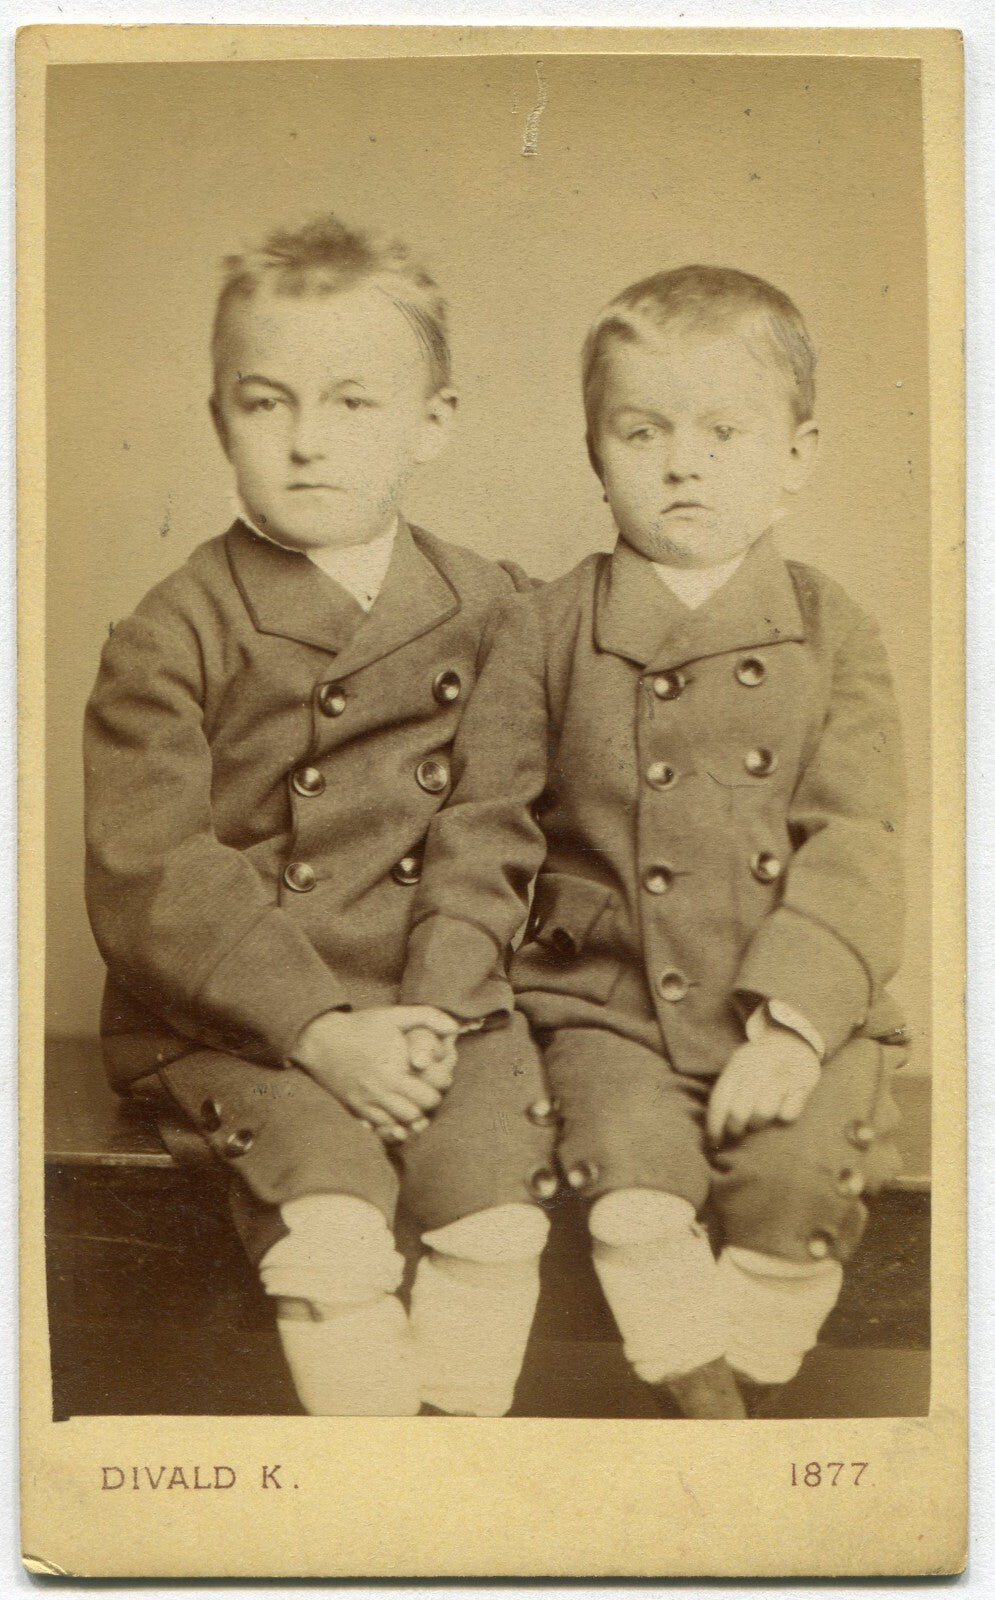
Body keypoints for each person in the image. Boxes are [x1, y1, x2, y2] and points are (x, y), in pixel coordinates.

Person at [83, 214, 555, 1418]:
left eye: (352, 404)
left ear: (431, 423)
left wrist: (442, 1007)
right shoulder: (171, 629)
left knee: (496, 1210)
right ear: (218, 420)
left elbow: (500, 819)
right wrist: (317, 1026)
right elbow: (153, 875)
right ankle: (366, 1485)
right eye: (265, 403)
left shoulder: (497, 607)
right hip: (239, 1015)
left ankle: (450, 1478)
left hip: (439, 1001)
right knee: (333, 1224)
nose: (305, 444)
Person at [432, 264, 910, 1417]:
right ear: (595, 451)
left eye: (722, 431)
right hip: (608, 1003)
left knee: (799, 1190)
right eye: (640, 431)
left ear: (795, 456)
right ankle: (690, 1392)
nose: (680, 462)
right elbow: (481, 829)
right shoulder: (544, 626)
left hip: (790, 1000)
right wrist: (445, 1004)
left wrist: (792, 1024)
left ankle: (731, 1408)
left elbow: (857, 835)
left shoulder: (831, 627)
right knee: (630, 1187)